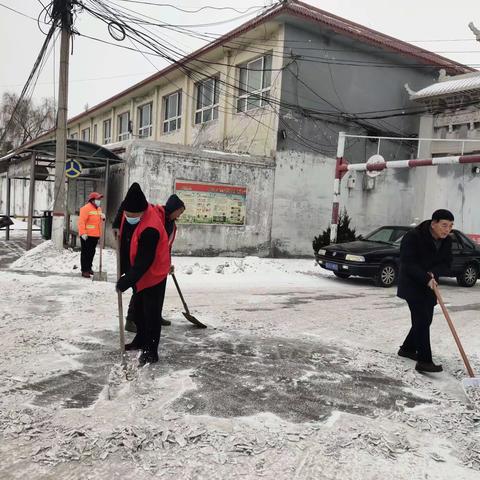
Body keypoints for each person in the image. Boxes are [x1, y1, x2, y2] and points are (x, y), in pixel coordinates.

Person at [113, 194, 185, 332]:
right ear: (173, 208)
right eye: (179, 211)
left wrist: (167, 263)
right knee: (139, 289)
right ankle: (131, 319)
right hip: (144, 259)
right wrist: (116, 224)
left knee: (158, 293)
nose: (179, 215)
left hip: (160, 262)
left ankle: (155, 316)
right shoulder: (156, 214)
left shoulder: (172, 225)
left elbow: (167, 245)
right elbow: (126, 203)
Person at [116, 183, 170, 366]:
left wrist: (126, 280)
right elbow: (121, 216)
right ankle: (140, 340)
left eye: (132, 216)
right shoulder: (128, 211)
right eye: (127, 214)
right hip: (138, 273)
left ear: (142, 211)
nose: (128, 218)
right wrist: (117, 224)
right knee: (138, 312)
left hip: (154, 273)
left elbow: (144, 262)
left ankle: (151, 350)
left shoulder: (151, 228)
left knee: (151, 315)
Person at [397, 209, 454, 373]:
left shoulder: (447, 241)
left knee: (425, 320)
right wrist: (425, 277)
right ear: (433, 223)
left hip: (430, 285)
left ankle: (407, 349)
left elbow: (447, 263)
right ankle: (424, 360)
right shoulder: (413, 236)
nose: (447, 229)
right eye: (444, 225)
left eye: (450, 226)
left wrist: (433, 273)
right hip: (412, 284)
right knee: (422, 319)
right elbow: (408, 263)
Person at [78, 192, 104, 278]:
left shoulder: (99, 209)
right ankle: (84, 270)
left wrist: (102, 217)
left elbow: (97, 220)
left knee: (91, 252)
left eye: (99, 199)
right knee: (85, 253)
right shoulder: (85, 208)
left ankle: (89, 268)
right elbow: (81, 222)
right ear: (92, 200)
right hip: (87, 235)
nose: (99, 201)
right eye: (97, 199)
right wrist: (83, 233)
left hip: (95, 235)